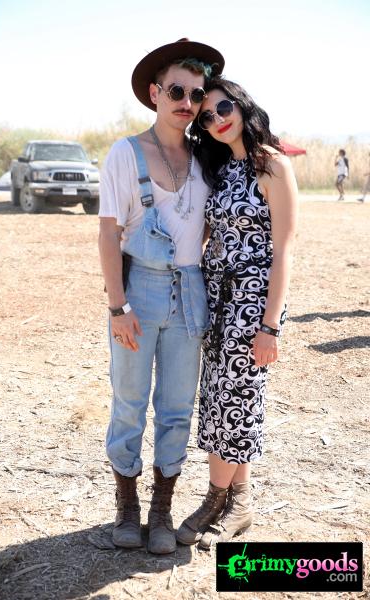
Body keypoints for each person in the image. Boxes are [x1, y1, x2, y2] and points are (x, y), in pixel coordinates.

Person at [98, 39, 225, 554]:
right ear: (155, 93)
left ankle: (162, 510)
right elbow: (108, 233)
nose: (187, 102)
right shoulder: (125, 153)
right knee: (129, 403)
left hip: (190, 293)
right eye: (177, 91)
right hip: (140, 290)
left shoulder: (207, 158)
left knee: (176, 408)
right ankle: (127, 508)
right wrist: (118, 306)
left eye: (196, 94)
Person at [176, 76, 298, 548]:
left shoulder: (274, 165)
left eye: (223, 107)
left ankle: (220, 501)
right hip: (216, 299)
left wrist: (271, 326)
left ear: (242, 105)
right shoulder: (222, 169)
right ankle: (234, 499)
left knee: (238, 400)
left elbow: (284, 251)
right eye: (207, 117)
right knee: (219, 401)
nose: (217, 119)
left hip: (252, 304)